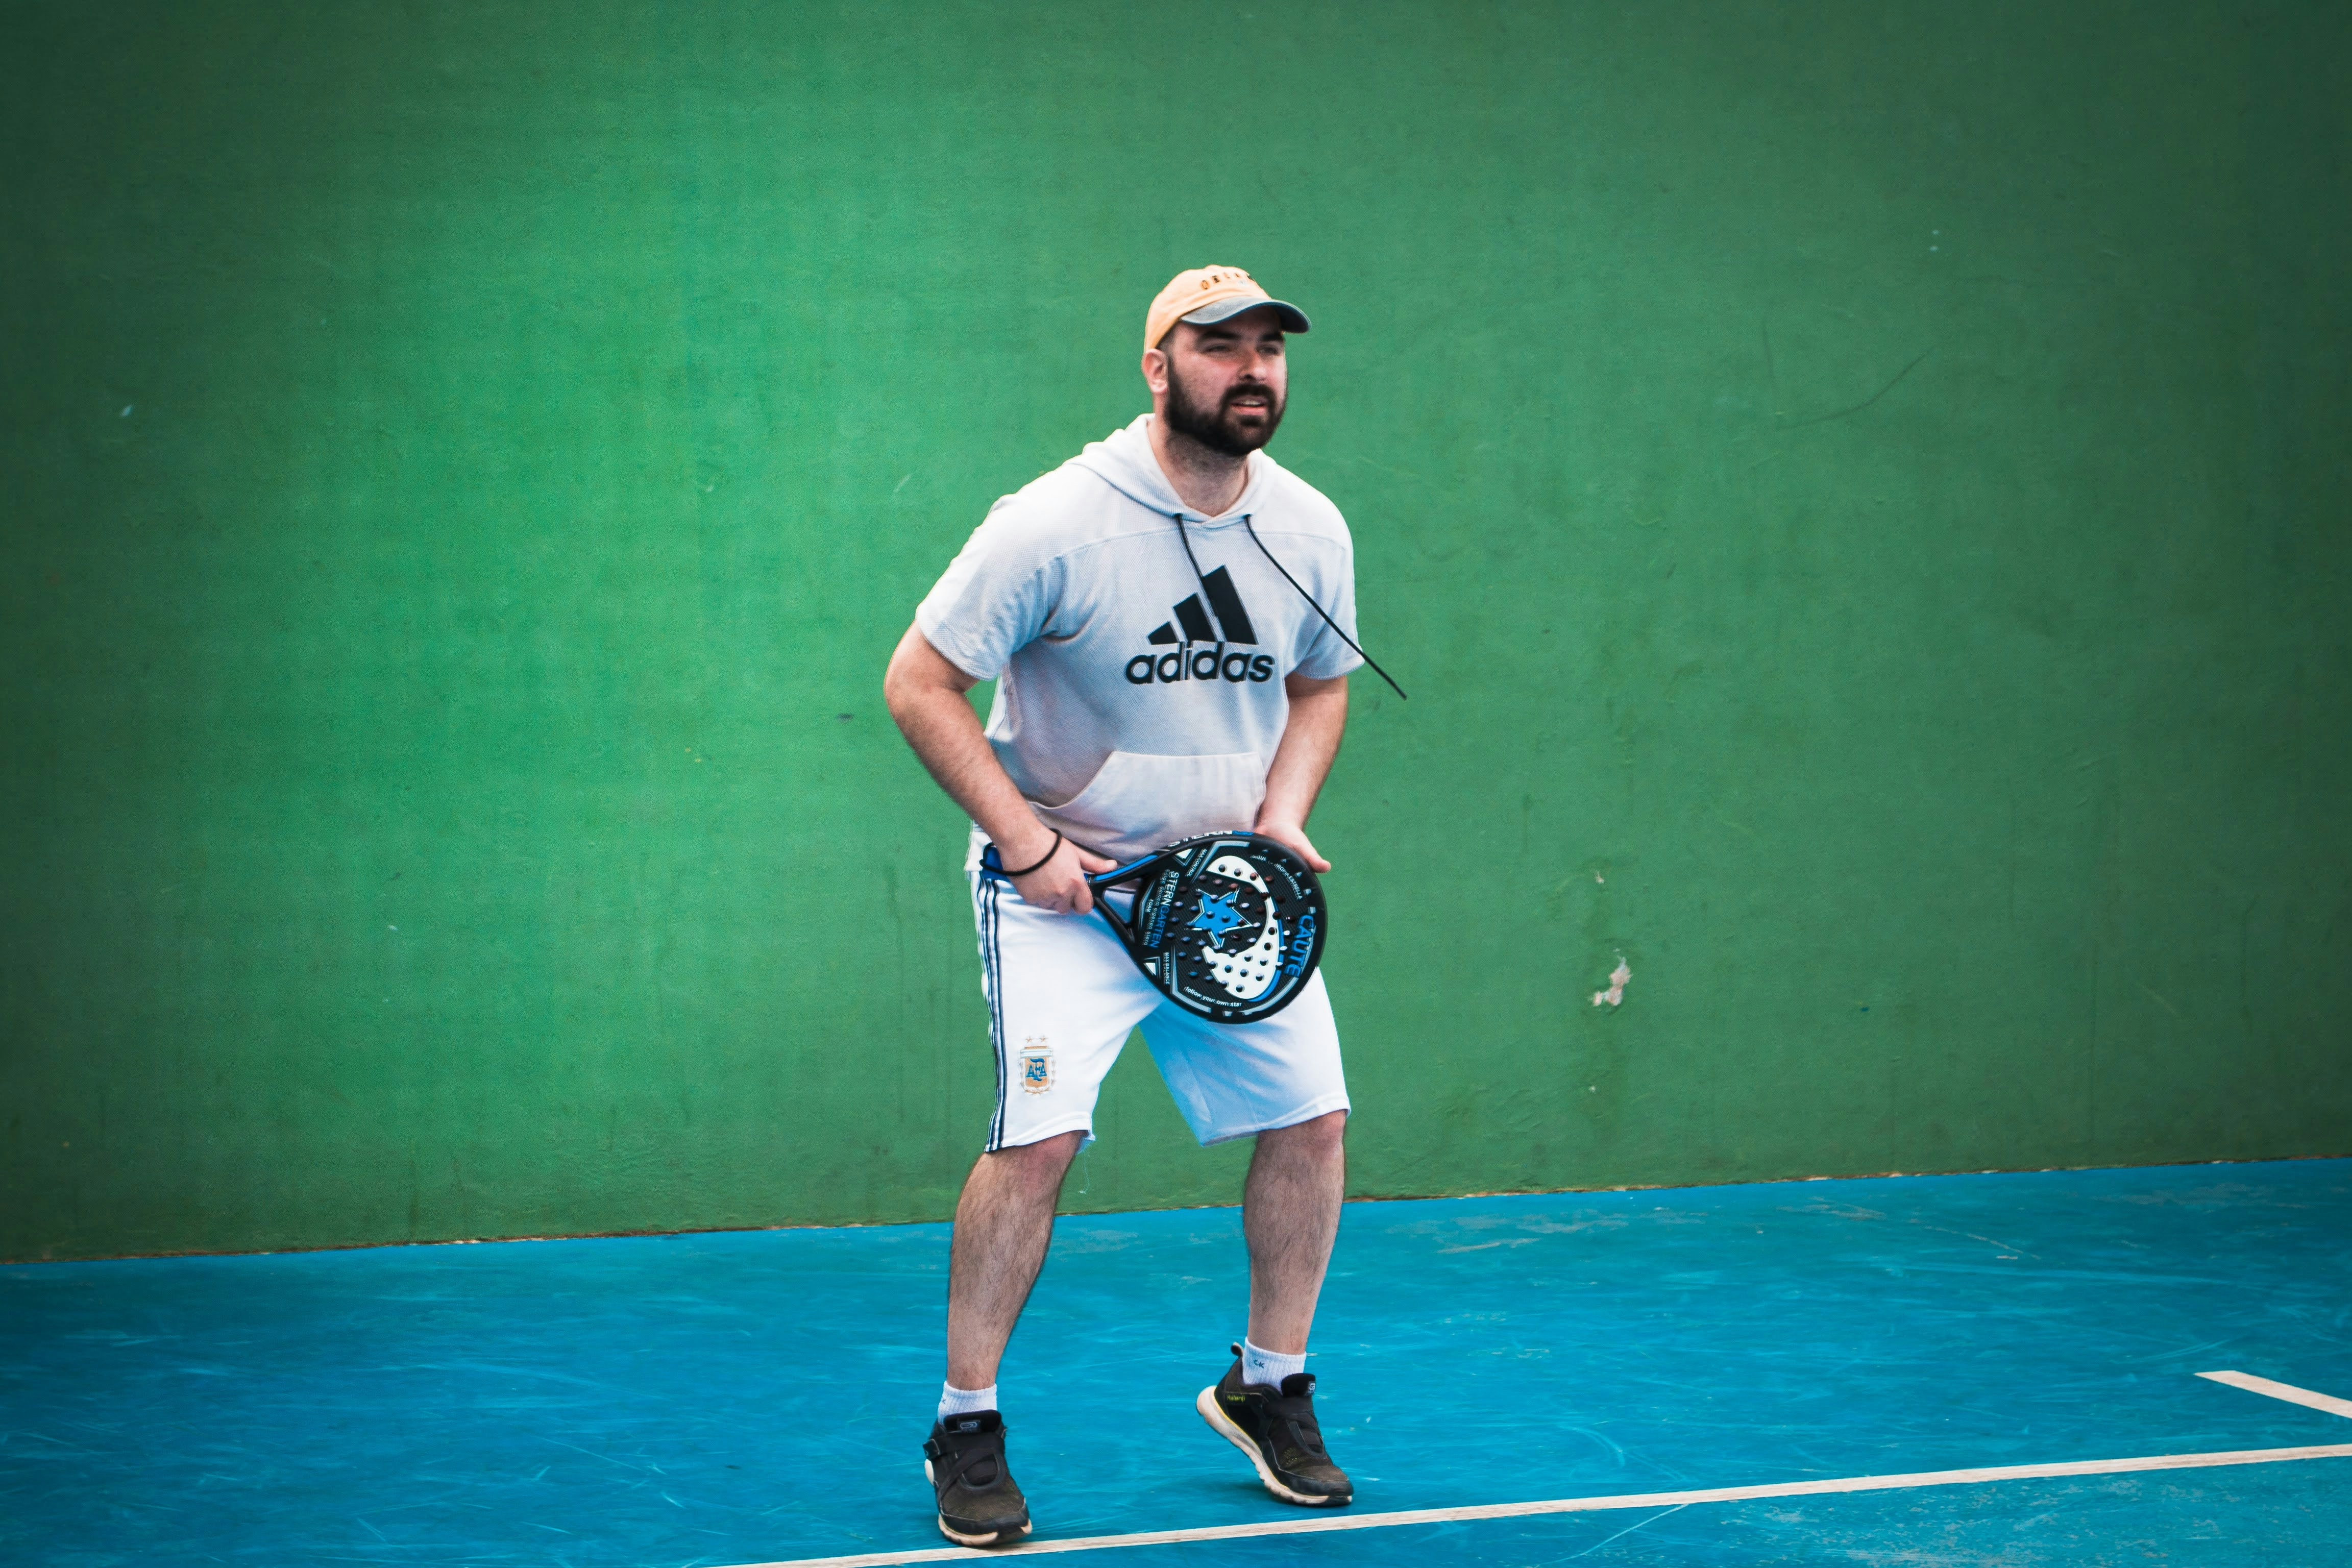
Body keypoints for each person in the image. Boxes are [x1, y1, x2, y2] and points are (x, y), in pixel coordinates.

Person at [883, 266, 1372, 1546]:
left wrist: (1282, 816)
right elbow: (921, 682)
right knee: (1038, 1145)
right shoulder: (1054, 521)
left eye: (1270, 347)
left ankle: (1268, 1386)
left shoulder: (1312, 526)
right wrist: (1027, 840)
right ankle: (966, 1422)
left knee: (1313, 1123)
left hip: (1224, 896)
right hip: (1070, 899)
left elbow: (1320, 684)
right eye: (1221, 348)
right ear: (1158, 368)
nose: (1252, 368)